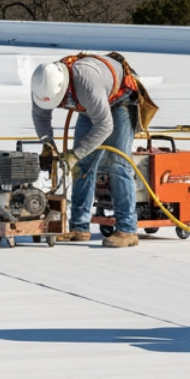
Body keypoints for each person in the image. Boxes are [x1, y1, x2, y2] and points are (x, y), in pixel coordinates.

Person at [31, 53, 147, 248]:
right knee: (83, 165)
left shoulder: (86, 82)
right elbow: (40, 116)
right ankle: (79, 227)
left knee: (118, 164)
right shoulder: (42, 84)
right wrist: (47, 144)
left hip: (120, 101)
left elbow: (105, 125)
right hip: (89, 107)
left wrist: (74, 154)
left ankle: (127, 230)